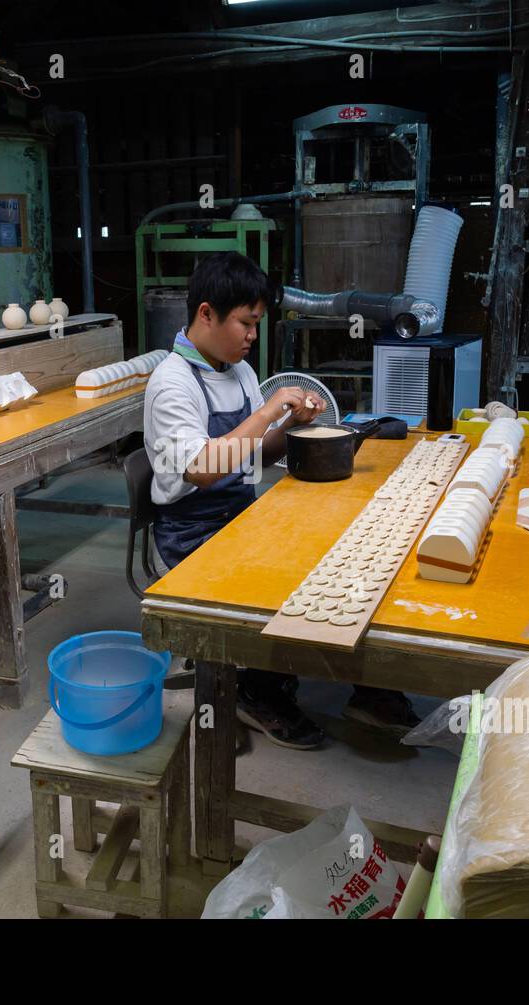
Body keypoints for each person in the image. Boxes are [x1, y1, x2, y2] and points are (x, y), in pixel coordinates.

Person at [143, 252, 422, 749]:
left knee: (344, 554)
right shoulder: (172, 384)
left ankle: (368, 688)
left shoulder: (238, 371)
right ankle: (254, 689)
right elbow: (203, 470)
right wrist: (268, 410)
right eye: (246, 323)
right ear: (206, 314)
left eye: (256, 325)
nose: (253, 336)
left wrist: (288, 427)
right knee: (302, 578)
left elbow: (252, 457)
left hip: (238, 517)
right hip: (192, 534)